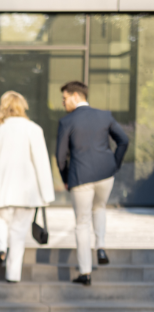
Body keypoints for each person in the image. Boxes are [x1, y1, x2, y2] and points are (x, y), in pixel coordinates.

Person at [0, 91, 55, 282]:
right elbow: (41, 163)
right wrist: (46, 194)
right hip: (27, 193)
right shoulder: (33, 129)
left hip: (0, 189)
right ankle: (13, 275)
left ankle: (0, 246)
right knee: (19, 234)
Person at [56, 80, 129, 286]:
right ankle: (101, 246)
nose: (63, 103)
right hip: (106, 174)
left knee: (81, 223)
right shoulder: (104, 115)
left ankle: (85, 272)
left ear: (76, 96)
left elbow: (60, 156)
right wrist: (114, 164)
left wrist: (65, 178)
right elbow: (123, 140)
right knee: (100, 208)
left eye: (65, 98)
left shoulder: (67, 122)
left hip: (80, 176)